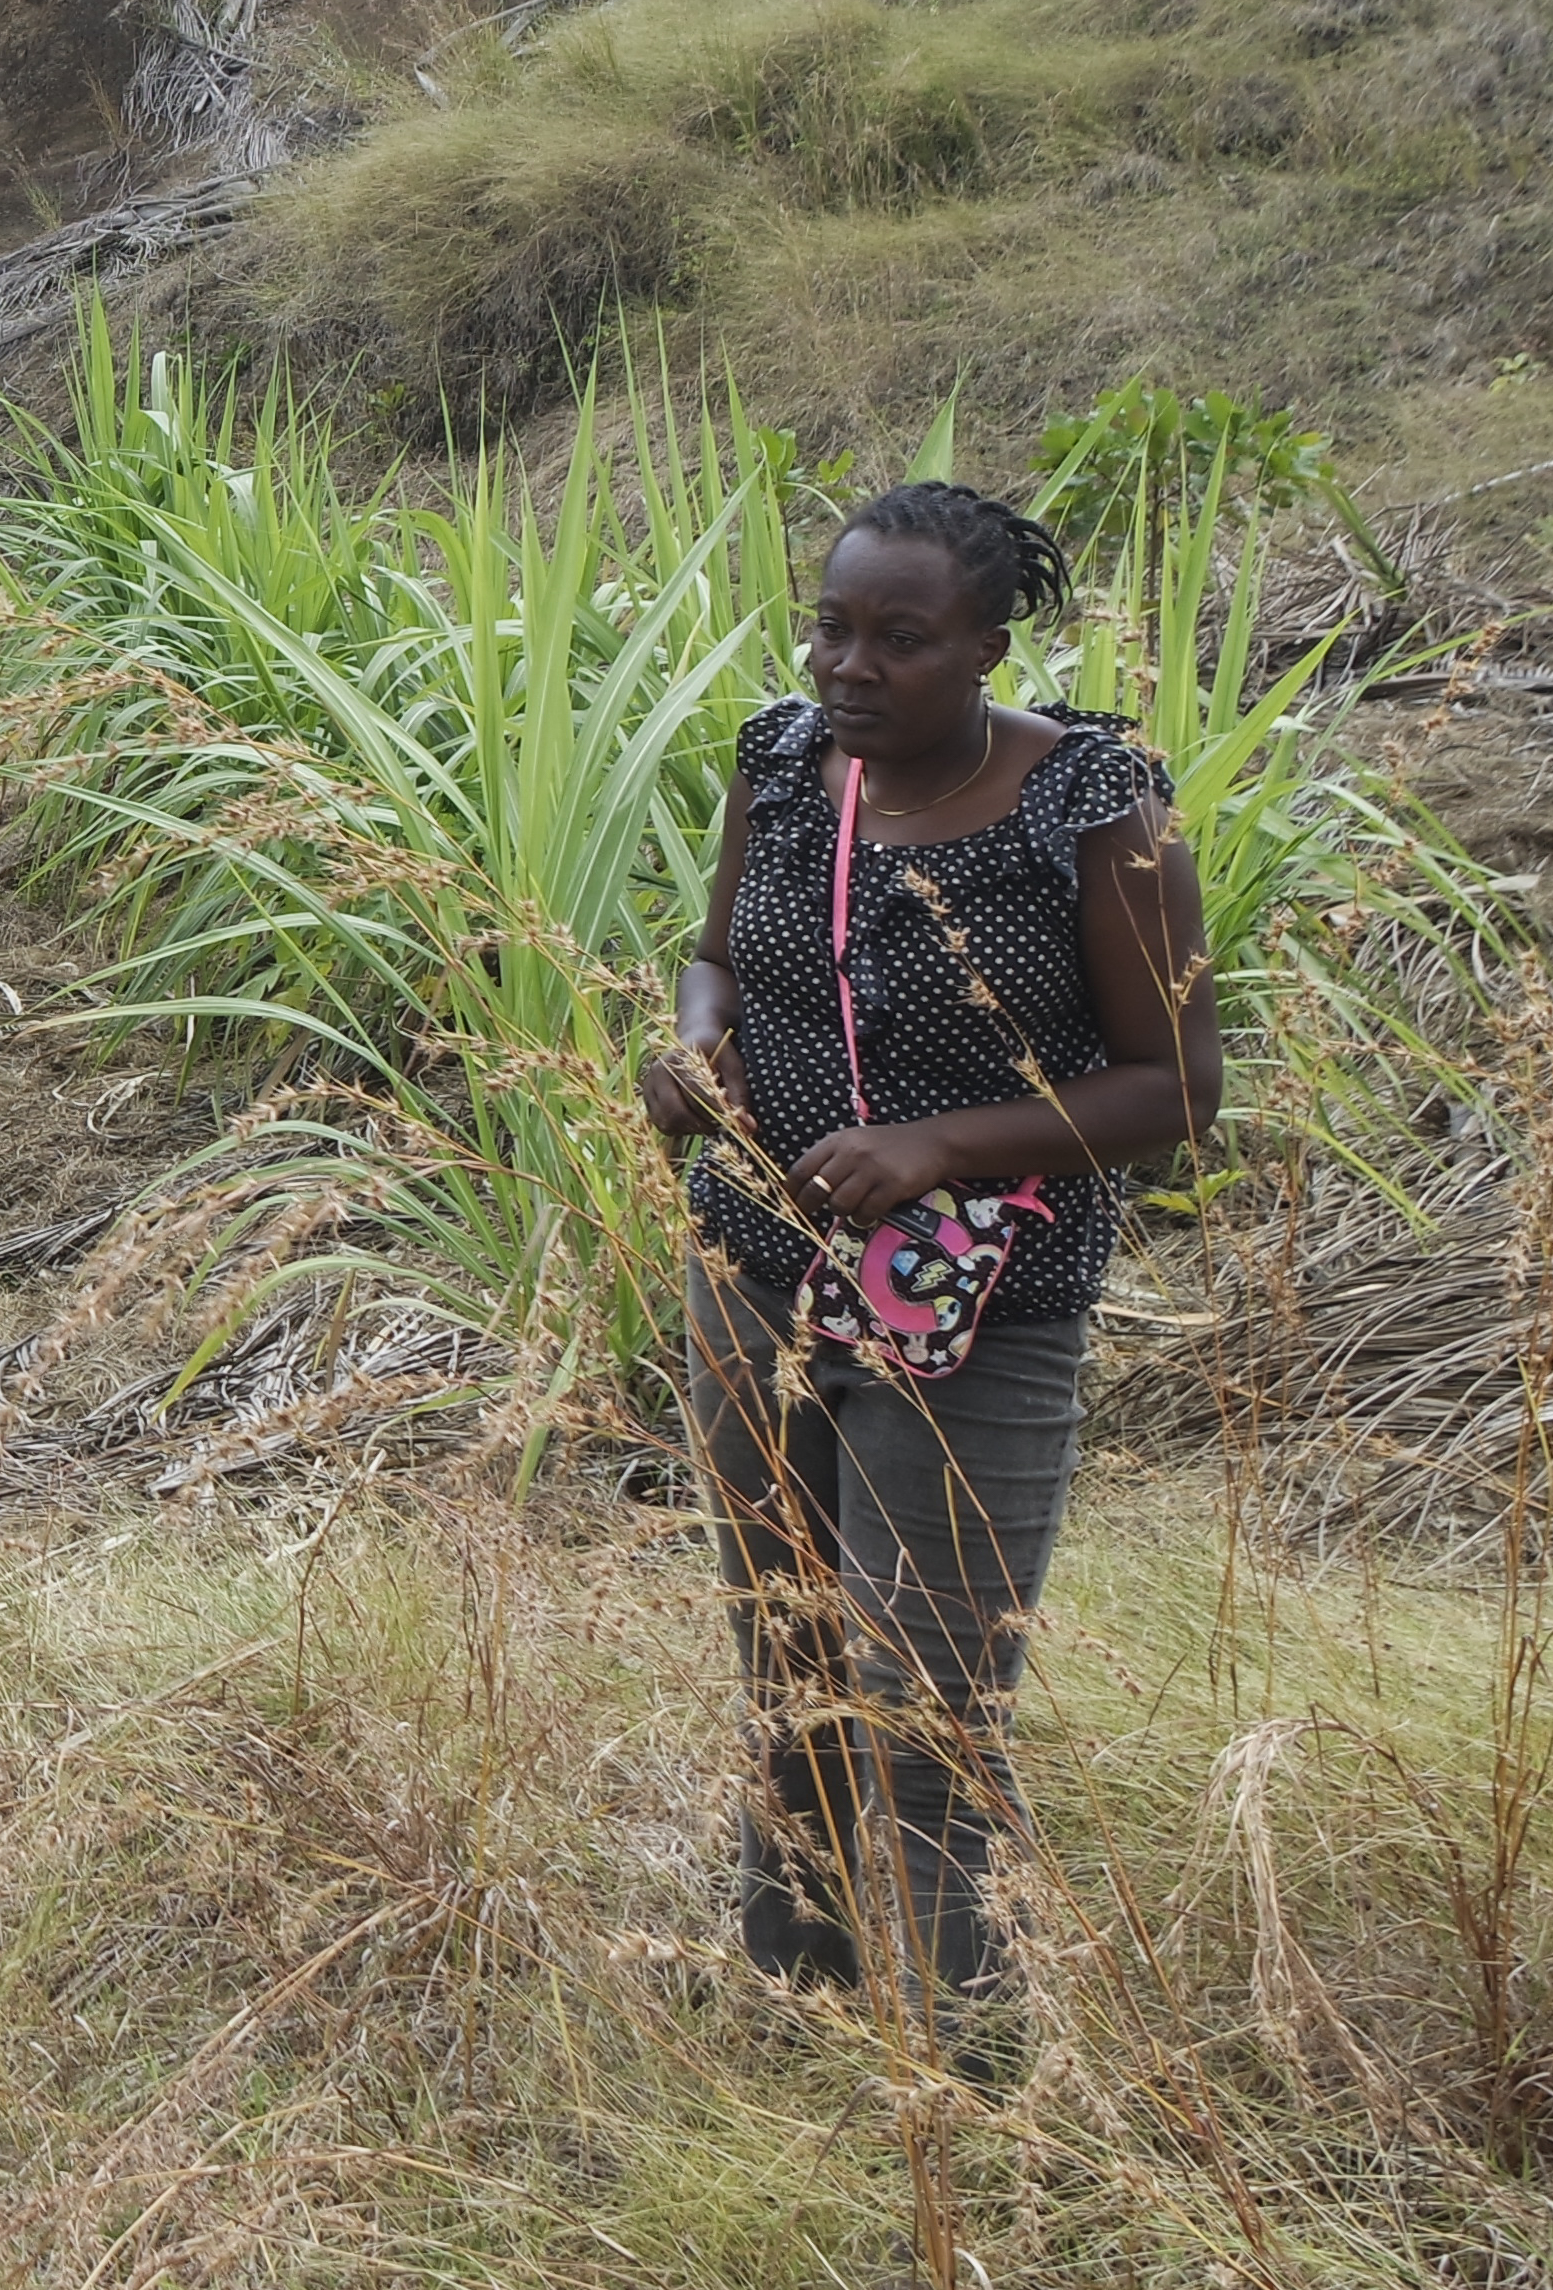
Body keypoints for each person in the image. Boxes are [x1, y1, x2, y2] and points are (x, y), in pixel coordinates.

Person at [638, 479, 1220, 2031]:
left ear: (987, 651)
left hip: (976, 1309)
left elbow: (1178, 1087)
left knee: (931, 1719)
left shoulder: (1090, 808)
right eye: (831, 627)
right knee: (790, 1667)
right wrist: (696, 1049)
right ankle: (801, 2013)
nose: (849, 667)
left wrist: (942, 1145)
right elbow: (717, 959)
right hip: (755, 1270)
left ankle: (978, 2077)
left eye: (900, 638)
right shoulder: (784, 764)